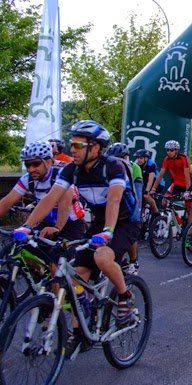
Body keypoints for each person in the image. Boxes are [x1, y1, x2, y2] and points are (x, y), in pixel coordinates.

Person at [13, 120, 139, 355]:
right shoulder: (72, 169)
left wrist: (108, 232)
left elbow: (113, 201)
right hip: (100, 223)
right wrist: (27, 227)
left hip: (123, 222)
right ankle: (78, 330)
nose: (72, 149)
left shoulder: (114, 166)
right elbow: (50, 198)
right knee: (76, 277)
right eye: (72, 144)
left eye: (78, 144)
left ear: (96, 147)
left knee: (102, 257)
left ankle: (126, 297)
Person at [0, 141, 86, 248]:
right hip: (47, 223)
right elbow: (7, 201)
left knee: (55, 261)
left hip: (72, 225)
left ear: (48, 162)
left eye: (36, 164)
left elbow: (65, 205)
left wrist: (57, 228)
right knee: (24, 250)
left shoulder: (62, 175)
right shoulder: (28, 179)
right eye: (27, 165)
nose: (31, 169)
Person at [106, 143, 143, 275]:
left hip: (130, 203)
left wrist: (137, 211)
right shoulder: (110, 167)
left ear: (126, 157)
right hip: (117, 204)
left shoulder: (135, 168)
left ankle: (134, 261)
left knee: (131, 233)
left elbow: (137, 193)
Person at [150, 140, 192, 226]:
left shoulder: (183, 158)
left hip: (187, 185)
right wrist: (153, 188)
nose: (169, 152)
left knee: (189, 208)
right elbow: (160, 175)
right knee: (164, 202)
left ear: (176, 150)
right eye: (167, 150)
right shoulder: (166, 159)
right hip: (176, 184)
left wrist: (188, 191)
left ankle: (190, 230)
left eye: (171, 150)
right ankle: (178, 220)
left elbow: (187, 175)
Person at [134, 148, 160, 217]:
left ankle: (156, 213)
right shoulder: (136, 164)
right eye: (138, 158)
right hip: (144, 181)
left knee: (146, 196)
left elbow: (150, 179)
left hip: (157, 183)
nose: (139, 160)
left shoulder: (151, 164)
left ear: (146, 158)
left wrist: (147, 190)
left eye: (141, 158)